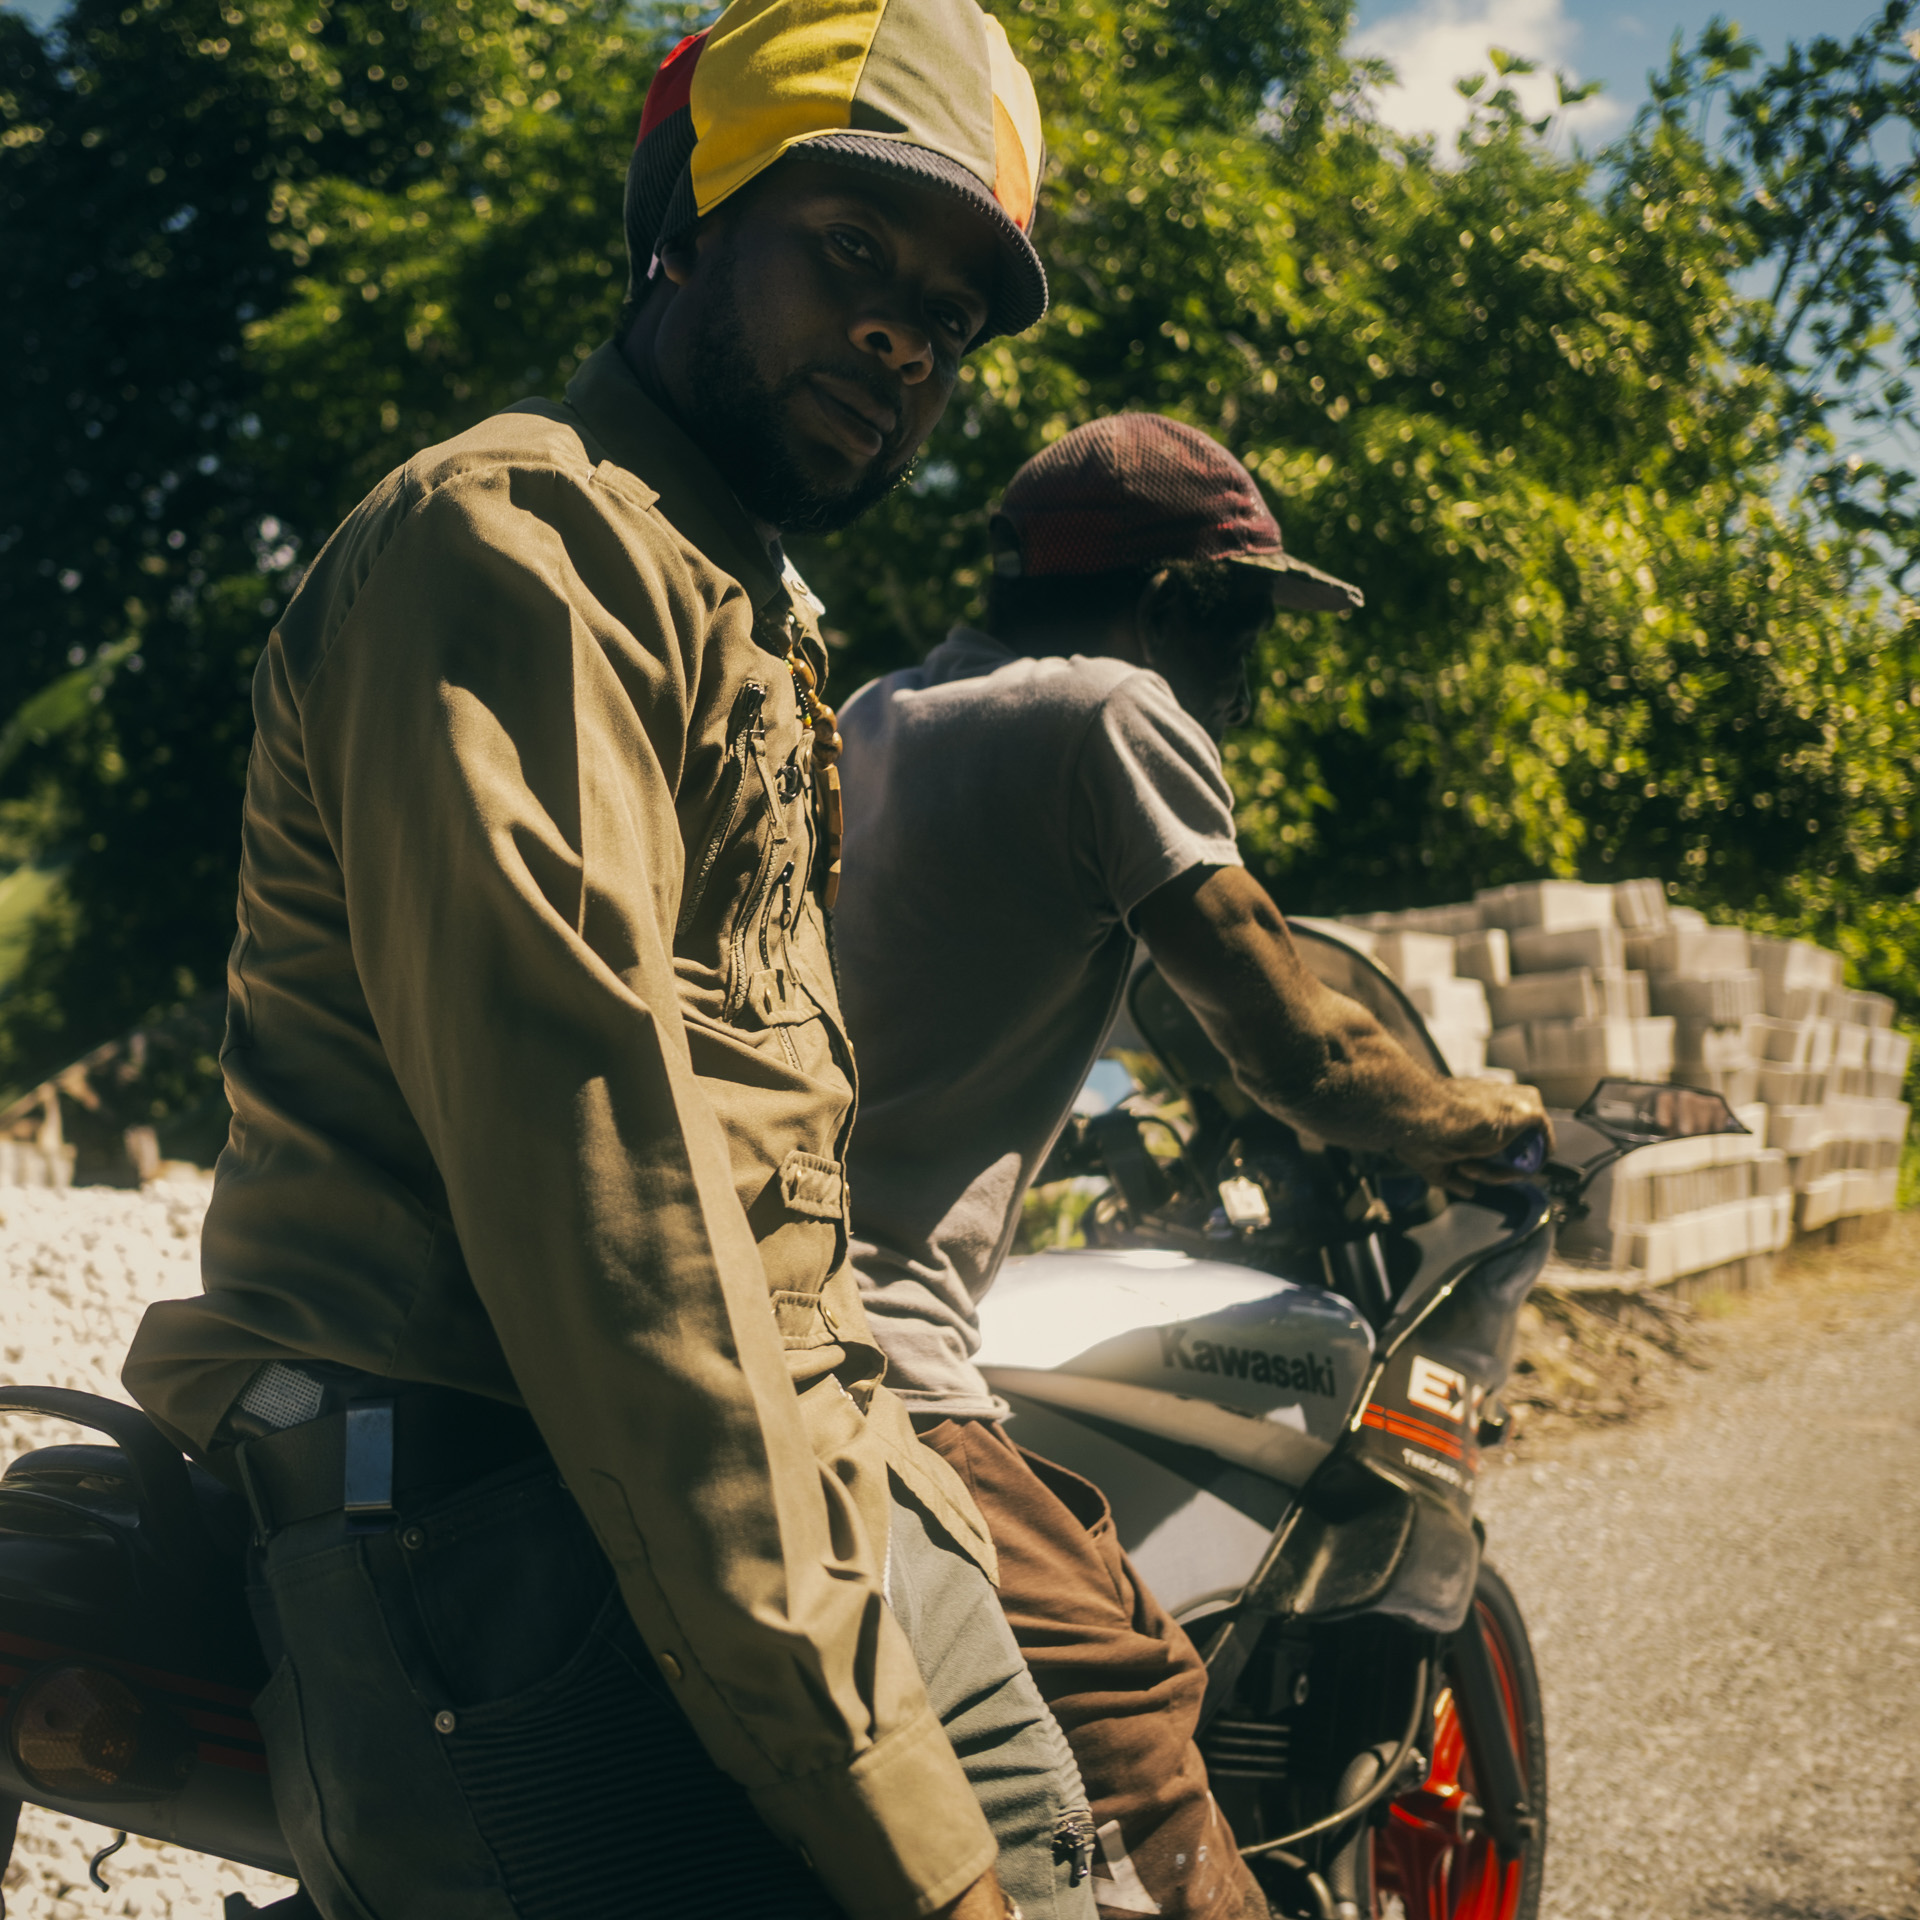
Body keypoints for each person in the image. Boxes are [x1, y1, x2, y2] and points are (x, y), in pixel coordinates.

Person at [121, 5, 1097, 1917]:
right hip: (505, 1534)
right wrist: (884, 1796)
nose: (904, 336)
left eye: (952, 317)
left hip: (753, 1498)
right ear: (687, 225)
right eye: (852, 253)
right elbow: (625, 1254)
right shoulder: (517, 552)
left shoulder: (740, 596)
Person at [832, 413, 1551, 1920]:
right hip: (874, 1345)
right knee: (1139, 1711)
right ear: (1172, 603)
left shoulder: (879, 713)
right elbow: (1303, 1051)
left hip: (777, 1285)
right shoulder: (1110, 713)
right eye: (1245, 630)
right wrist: (1485, 1115)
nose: (1250, 681)